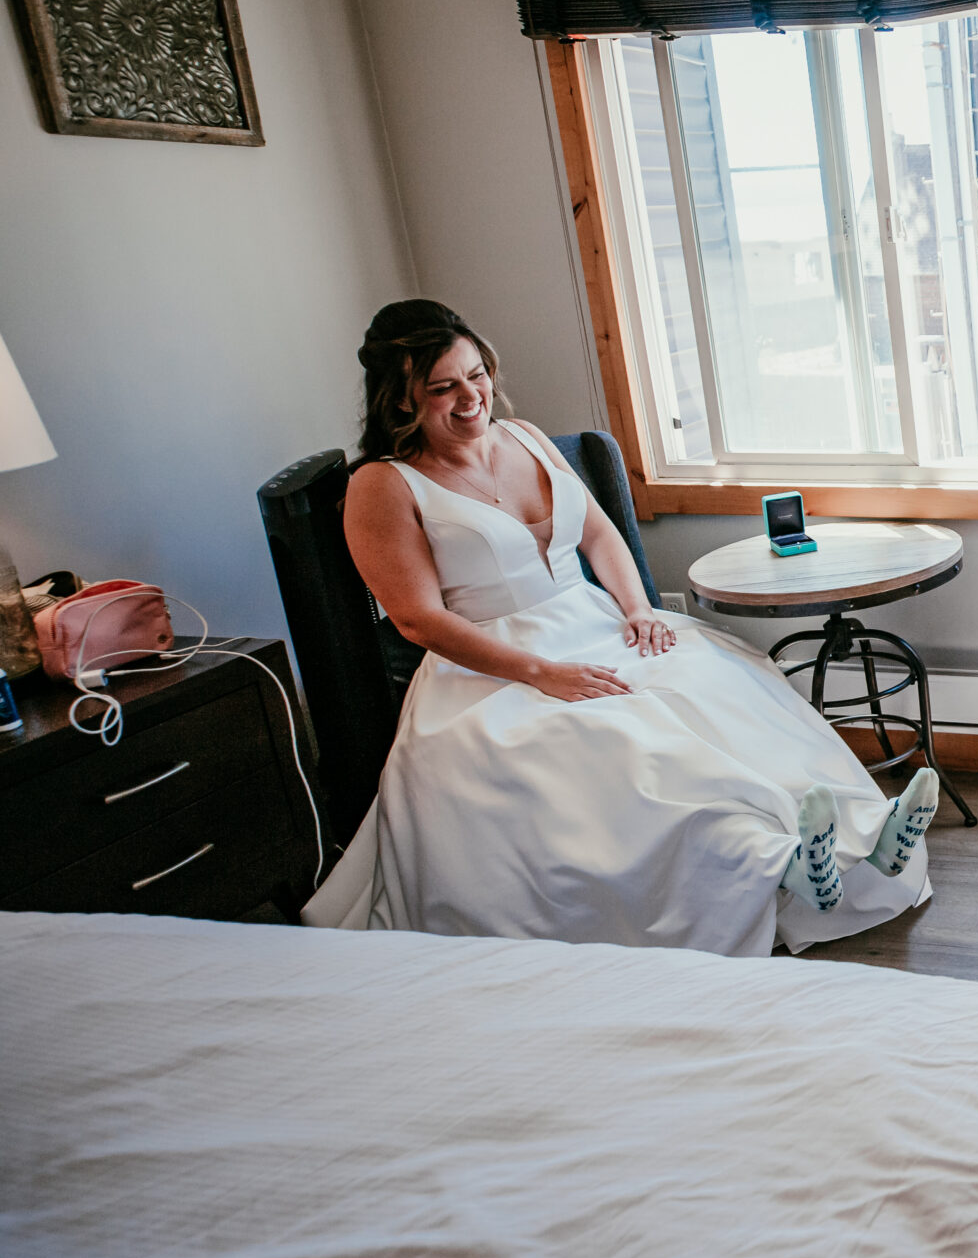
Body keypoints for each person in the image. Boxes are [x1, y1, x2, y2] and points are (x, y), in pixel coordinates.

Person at [304, 299, 938, 956]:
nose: (471, 397)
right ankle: (781, 865)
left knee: (722, 690)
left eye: (476, 374)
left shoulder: (524, 436)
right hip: (495, 668)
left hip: (598, 623)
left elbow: (600, 534)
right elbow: (416, 617)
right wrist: (543, 673)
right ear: (400, 399)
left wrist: (637, 610)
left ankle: (866, 844)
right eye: (444, 388)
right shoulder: (382, 485)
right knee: (640, 747)